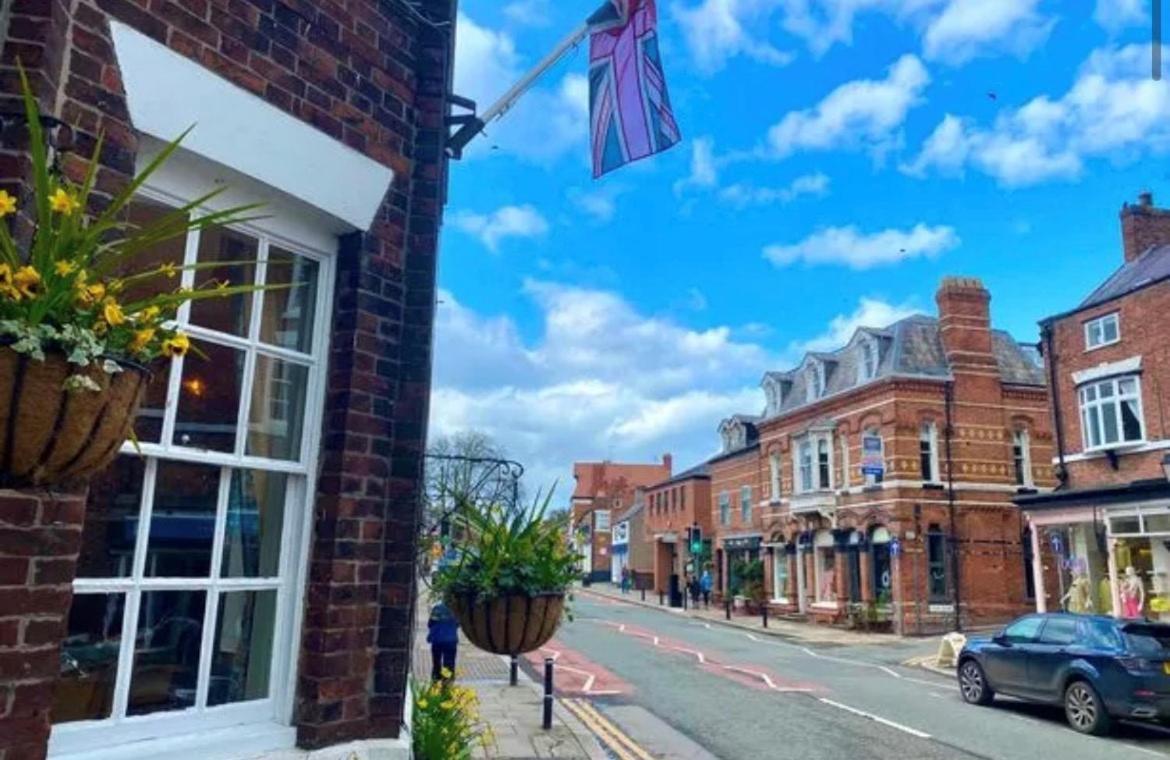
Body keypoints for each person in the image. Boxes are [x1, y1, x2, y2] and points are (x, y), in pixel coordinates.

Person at [427, 600, 459, 681]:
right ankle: (447, 681)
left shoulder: (437, 608)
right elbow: (458, 623)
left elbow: (430, 623)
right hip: (451, 640)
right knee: (449, 662)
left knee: (436, 661)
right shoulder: (456, 608)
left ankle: (436, 678)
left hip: (437, 640)